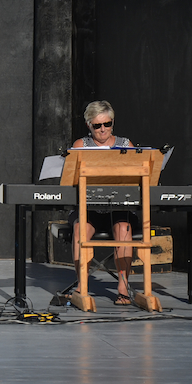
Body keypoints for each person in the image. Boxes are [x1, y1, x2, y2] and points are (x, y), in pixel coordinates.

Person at [70, 100, 138, 305]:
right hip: (89, 206)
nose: (103, 130)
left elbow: (136, 177)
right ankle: (82, 285)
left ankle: (123, 286)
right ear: (89, 125)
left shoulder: (126, 145)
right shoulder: (80, 146)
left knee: (123, 229)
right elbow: (70, 179)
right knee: (80, 229)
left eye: (107, 124)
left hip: (118, 206)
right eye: (97, 126)